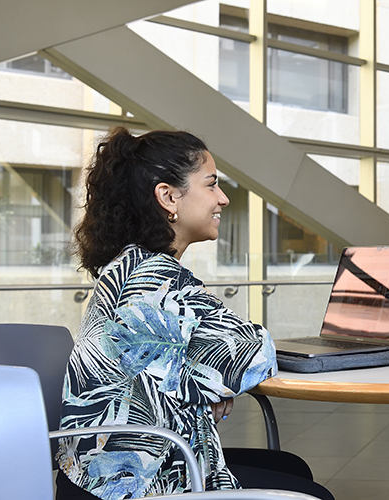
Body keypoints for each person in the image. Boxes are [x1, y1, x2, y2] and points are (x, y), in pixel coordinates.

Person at [56, 127, 333, 500]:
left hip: (95, 478)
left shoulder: (130, 264)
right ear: (168, 196)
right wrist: (215, 379)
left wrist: (203, 384)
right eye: (211, 184)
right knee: (316, 494)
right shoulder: (155, 277)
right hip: (137, 486)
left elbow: (187, 364)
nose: (223, 198)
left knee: (293, 468)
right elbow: (253, 352)